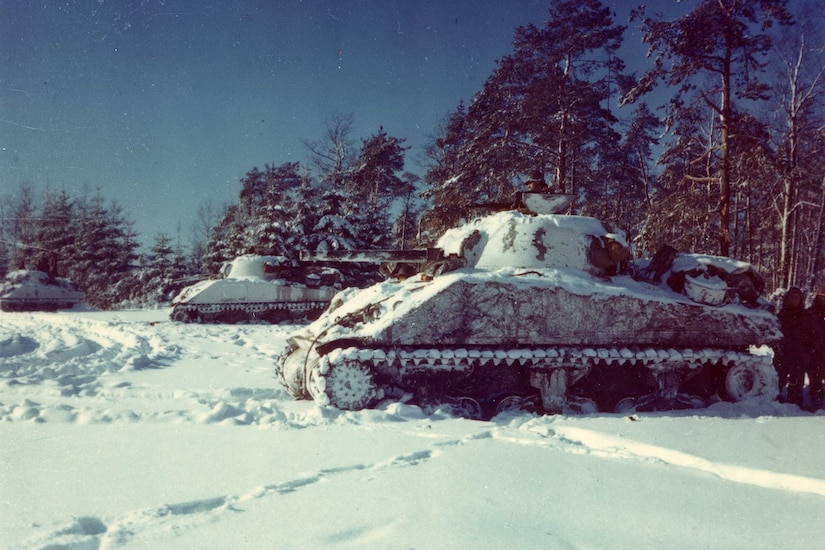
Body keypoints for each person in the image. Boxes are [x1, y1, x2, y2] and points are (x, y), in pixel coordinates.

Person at [775, 287, 813, 407]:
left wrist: (807, 351)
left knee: (797, 379)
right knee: (778, 378)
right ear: (787, 299)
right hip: (783, 353)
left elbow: (811, 334)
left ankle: (795, 401)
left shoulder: (806, 315)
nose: (794, 300)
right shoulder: (782, 315)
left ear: (801, 299)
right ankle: (775, 399)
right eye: (792, 297)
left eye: (797, 297)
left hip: (799, 353)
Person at [806, 285, 825, 409]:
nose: (824, 300)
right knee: (816, 376)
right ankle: (816, 397)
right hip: (814, 350)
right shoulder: (809, 313)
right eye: (822, 297)